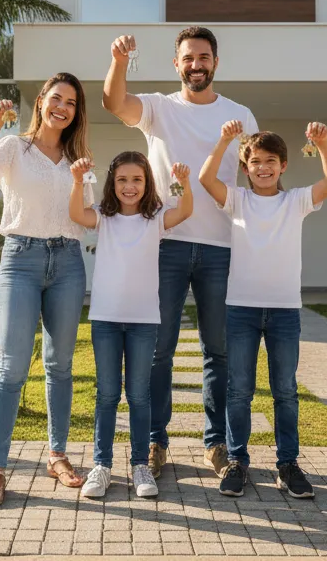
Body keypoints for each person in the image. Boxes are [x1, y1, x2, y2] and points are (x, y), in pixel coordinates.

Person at [103, 27, 257, 478]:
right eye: (188, 57)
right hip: (165, 243)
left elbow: (257, 177)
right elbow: (115, 102)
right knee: (158, 350)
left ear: (215, 62)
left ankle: (218, 446)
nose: (196, 64)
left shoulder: (239, 114)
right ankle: (155, 442)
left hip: (222, 247)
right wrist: (117, 60)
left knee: (220, 351)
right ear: (177, 64)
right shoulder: (159, 107)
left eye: (204, 57)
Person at [0, 73, 92, 508]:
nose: (63, 107)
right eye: (57, 98)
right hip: (21, 259)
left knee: (60, 366)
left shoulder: (77, 156)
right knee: (12, 367)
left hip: (69, 263)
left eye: (72, 103)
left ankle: (57, 455)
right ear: (40, 102)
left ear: (77, 112)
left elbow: (86, 213)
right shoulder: (14, 148)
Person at [198, 121, 327, 499]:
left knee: (286, 392)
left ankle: (288, 464)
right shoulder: (238, 200)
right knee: (238, 391)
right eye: (256, 162)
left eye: (271, 161)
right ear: (245, 168)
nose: (263, 168)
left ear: (283, 166)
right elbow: (205, 177)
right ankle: (237, 462)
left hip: (283, 311)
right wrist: (225, 139)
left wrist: (324, 145)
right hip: (241, 310)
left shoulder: (295, 200)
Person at [67, 152, 194, 500]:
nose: (129, 186)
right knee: (107, 394)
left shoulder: (155, 219)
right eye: (122, 180)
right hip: (105, 320)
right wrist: (78, 181)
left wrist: (181, 181)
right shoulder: (104, 218)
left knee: (139, 395)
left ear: (147, 183)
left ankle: (140, 466)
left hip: (143, 321)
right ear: (113, 183)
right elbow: (77, 213)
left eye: (137, 180)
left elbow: (184, 211)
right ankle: (102, 466)